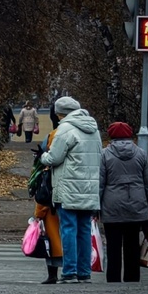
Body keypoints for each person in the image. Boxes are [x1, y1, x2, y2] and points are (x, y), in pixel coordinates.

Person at [39, 96, 101, 283]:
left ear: (60, 113)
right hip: (89, 188)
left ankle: (69, 272)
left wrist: (43, 157)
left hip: (68, 188)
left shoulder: (65, 129)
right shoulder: (94, 129)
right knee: (83, 230)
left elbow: (55, 158)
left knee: (67, 229)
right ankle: (84, 272)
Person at [99, 121, 148, 282]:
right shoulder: (140, 154)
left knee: (113, 247)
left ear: (111, 136)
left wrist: (96, 208)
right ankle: (132, 279)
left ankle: (113, 279)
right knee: (132, 245)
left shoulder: (105, 155)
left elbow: (100, 184)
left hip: (112, 205)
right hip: (136, 205)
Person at [32, 110, 66, 284]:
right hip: (73, 194)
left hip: (53, 195)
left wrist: (38, 212)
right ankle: (74, 270)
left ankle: (53, 273)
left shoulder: (52, 137)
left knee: (51, 235)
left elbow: (44, 167)